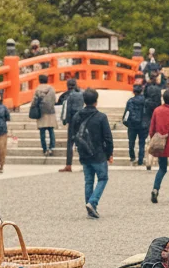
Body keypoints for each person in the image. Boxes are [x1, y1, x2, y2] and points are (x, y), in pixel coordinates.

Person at [70, 88, 113, 218]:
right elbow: (108, 137)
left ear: (84, 100)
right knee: (103, 178)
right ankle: (92, 202)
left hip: (84, 153)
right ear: (96, 101)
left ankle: (90, 205)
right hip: (98, 153)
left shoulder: (77, 116)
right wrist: (109, 153)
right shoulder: (101, 117)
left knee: (88, 181)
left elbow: (74, 134)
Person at [58, 78, 85, 172]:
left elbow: (67, 109)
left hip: (73, 120)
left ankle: (68, 165)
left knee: (70, 143)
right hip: (81, 119)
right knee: (81, 142)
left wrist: (65, 120)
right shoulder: (82, 93)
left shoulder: (69, 95)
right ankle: (85, 164)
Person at [30, 76, 57, 157]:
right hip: (50, 112)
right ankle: (52, 148)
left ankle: (45, 149)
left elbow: (34, 102)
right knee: (51, 131)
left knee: (42, 133)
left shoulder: (37, 89)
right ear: (47, 80)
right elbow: (54, 100)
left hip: (41, 113)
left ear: (39, 81)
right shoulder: (51, 89)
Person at [123, 82, 148, 166]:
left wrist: (126, 123)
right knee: (142, 143)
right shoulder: (145, 101)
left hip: (132, 125)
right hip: (143, 125)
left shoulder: (130, 101)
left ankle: (132, 157)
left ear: (133, 91)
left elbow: (127, 113)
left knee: (131, 142)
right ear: (141, 91)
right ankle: (140, 160)